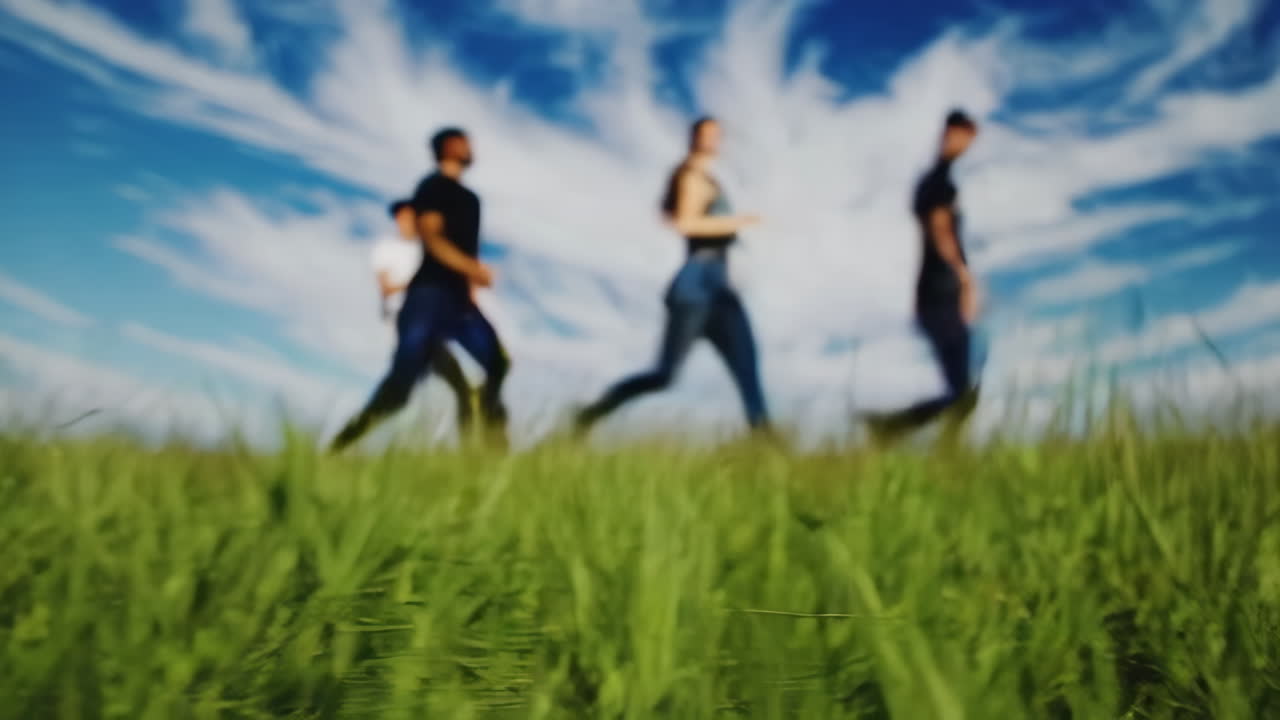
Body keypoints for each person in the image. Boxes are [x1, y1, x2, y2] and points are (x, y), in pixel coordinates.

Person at [574, 116, 772, 437]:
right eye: (708, 135)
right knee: (665, 375)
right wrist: (740, 221)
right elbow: (686, 223)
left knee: (747, 367)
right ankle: (590, 414)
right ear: (694, 138)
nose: (714, 141)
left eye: (717, 136)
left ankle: (766, 443)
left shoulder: (709, 180)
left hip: (721, 285)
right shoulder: (692, 177)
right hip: (696, 284)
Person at [330, 127, 511, 452]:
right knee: (400, 388)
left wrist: (471, 284)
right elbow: (432, 236)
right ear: (451, 147)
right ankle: (339, 446)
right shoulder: (432, 187)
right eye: (465, 142)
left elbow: (468, 251)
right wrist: (473, 269)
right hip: (427, 298)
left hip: (460, 304)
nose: (471, 148)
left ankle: (492, 452)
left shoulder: (472, 201)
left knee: (497, 363)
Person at [865, 109, 982, 446]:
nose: (967, 145)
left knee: (961, 389)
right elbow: (940, 229)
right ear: (952, 133)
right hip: (941, 290)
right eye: (965, 137)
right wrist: (964, 277)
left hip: (932, 291)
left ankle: (900, 433)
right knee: (962, 391)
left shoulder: (931, 183)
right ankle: (890, 428)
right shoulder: (939, 183)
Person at [370, 198, 479, 431]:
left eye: (412, 216)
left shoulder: (426, 252)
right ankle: (342, 443)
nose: (407, 221)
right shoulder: (386, 248)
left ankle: (472, 453)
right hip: (407, 321)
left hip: (430, 323)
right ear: (397, 219)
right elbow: (386, 287)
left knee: (459, 389)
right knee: (401, 395)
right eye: (402, 217)